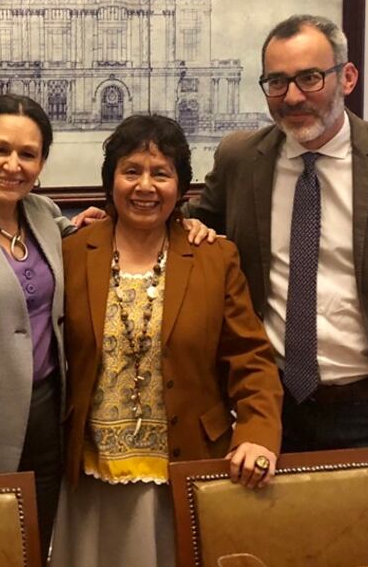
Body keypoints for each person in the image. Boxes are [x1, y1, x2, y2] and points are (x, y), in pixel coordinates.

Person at [0, 94, 212, 554]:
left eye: (28, 154)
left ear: (42, 162)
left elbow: (110, 240)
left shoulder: (44, 217)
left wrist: (187, 226)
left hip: (45, 433)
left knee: (30, 553)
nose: (13, 165)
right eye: (0, 149)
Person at [186, 14, 368, 464]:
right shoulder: (240, 159)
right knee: (264, 514)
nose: (293, 96)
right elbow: (188, 226)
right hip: (266, 407)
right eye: (277, 82)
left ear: (347, 77)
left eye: (310, 78)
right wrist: (104, 221)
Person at [52, 115, 282, 567]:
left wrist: (257, 435)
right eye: (131, 171)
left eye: (161, 173)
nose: (145, 186)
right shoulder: (73, 252)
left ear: (181, 186)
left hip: (190, 462)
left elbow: (251, 359)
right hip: (93, 476)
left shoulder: (214, 256)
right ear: (111, 180)